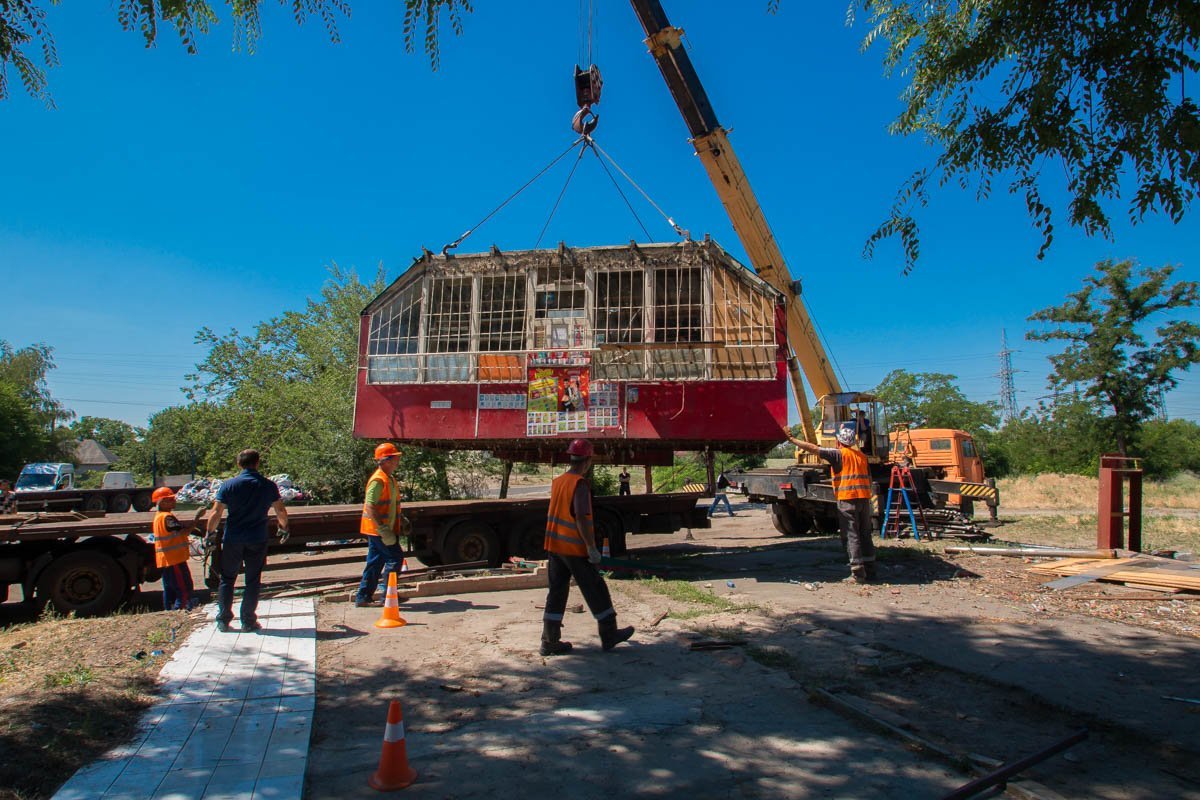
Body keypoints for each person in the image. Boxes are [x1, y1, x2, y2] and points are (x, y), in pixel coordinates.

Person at [539, 439, 635, 656]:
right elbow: (581, 516)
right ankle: (609, 634)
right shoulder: (579, 483)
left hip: (555, 546)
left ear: (571, 458)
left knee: (556, 592)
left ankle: (549, 641)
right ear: (588, 460)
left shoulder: (558, 481)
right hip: (574, 548)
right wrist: (591, 547)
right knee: (596, 589)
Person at [205, 449, 289, 633]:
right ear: (257, 463)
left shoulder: (229, 485)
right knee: (252, 580)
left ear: (238, 464)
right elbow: (280, 510)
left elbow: (216, 512)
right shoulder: (268, 486)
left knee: (227, 579)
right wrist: (283, 528)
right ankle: (248, 621)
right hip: (257, 538)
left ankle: (223, 620)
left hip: (233, 538)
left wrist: (210, 534)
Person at [784, 424, 877, 583]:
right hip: (863, 499)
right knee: (864, 533)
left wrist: (792, 439)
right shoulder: (861, 456)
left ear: (839, 442)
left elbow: (813, 448)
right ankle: (870, 568)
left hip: (847, 499)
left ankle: (857, 572)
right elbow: (868, 478)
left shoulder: (839, 455)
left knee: (851, 534)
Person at [356, 442, 406, 608]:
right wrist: (384, 530)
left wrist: (400, 519)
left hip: (379, 530)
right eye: (395, 458)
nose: (397, 461)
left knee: (375, 562)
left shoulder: (388, 478)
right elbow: (370, 506)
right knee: (395, 558)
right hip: (379, 531)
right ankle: (388, 596)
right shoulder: (379, 480)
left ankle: (363, 597)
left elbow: (389, 504)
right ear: (386, 460)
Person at [150, 487, 204, 611]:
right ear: (162, 501)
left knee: (170, 589)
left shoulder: (160, 516)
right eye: (171, 499)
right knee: (183, 588)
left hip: (168, 559)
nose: (174, 501)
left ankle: (171, 612)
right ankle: (182, 610)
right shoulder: (167, 518)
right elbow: (184, 532)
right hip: (174, 559)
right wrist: (197, 518)